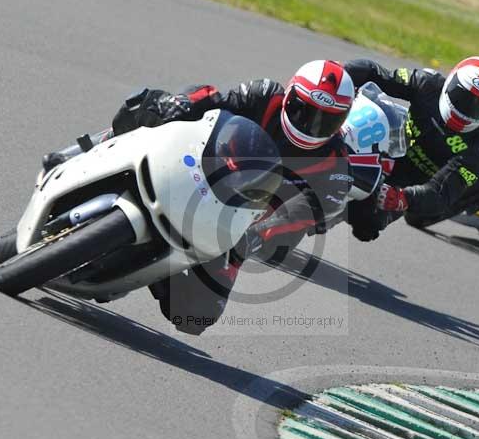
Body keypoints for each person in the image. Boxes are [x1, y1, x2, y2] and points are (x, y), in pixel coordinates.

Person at [44, 60, 357, 334]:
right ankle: (87, 151)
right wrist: (181, 102)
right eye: (304, 111)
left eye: (325, 120)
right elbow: (215, 101)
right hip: (203, 170)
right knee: (147, 105)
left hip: (236, 226)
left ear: (341, 122)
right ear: (289, 96)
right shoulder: (264, 95)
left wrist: (258, 236)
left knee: (195, 316)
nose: (311, 126)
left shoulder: (334, 168)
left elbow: (301, 216)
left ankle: (154, 269)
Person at [341, 57, 479, 241]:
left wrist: (405, 198)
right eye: (463, 98)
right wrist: (342, 76)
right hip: (388, 144)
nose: (468, 110)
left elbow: (442, 194)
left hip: (408, 183)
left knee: (366, 223)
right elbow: (377, 74)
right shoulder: (428, 84)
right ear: (450, 83)